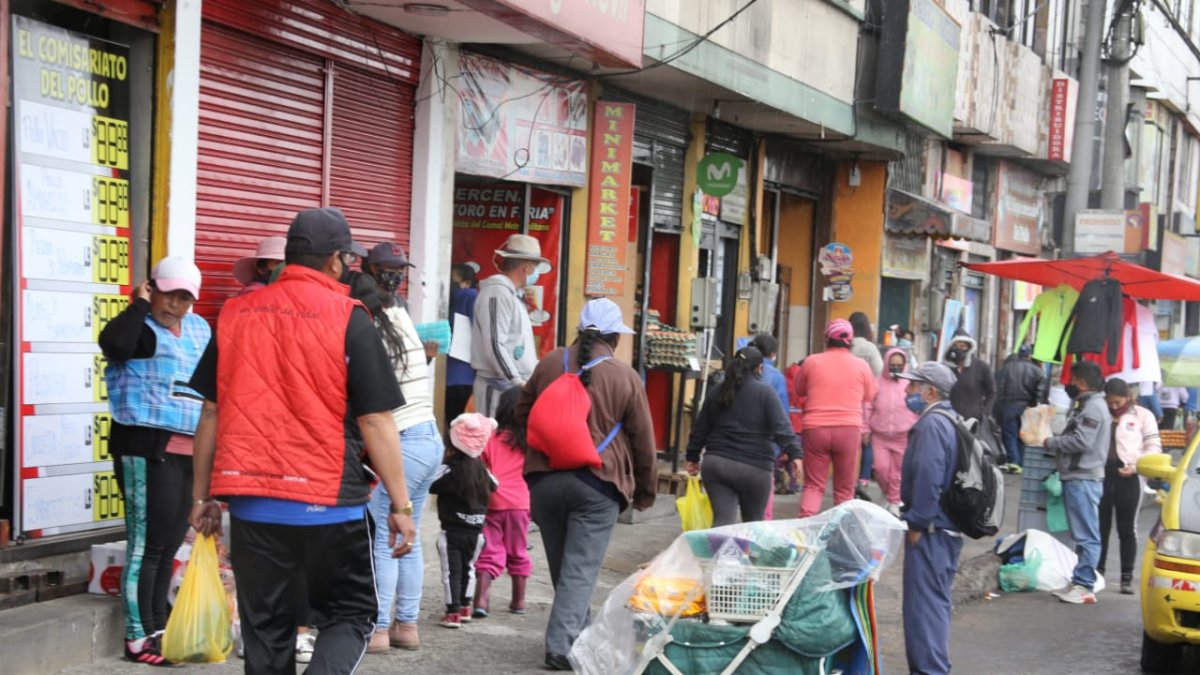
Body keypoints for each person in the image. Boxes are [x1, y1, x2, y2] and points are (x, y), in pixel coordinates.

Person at [188, 207, 417, 674]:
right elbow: (375, 421)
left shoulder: (234, 313)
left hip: (253, 508)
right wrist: (402, 506)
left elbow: (210, 411)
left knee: (267, 629)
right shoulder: (350, 317)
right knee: (351, 615)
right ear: (336, 260)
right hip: (330, 504)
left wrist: (202, 495)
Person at [516, 298, 657, 670]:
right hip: (596, 484)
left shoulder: (549, 363)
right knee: (579, 570)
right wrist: (645, 491)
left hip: (544, 482)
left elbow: (521, 411)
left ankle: (582, 636)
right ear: (614, 336)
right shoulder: (624, 376)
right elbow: (643, 440)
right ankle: (561, 647)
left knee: (566, 569)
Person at [100, 257, 211, 666]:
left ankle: (158, 628)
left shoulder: (199, 330)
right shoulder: (138, 328)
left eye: (185, 298)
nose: (175, 305)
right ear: (152, 288)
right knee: (145, 546)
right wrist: (139, 306)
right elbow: (114, 345)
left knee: (166, 548)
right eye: (168, 294)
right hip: (146, 446)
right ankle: (137, 637)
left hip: (190, 449)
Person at [347, 273, 444, 653]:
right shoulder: (401, 319)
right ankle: (407, 626)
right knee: (408, 537)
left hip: (401, 442)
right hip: (429, 437)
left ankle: (379, 629)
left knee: (386, 541)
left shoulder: (368, 334)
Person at [895, 362, 963, 675]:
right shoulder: (947, 419)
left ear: (930, 391)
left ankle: (930, 670)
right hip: (943, 529)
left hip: (932, 530)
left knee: (923, 609)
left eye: (913, 386)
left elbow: (928, 475)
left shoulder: (932, 424)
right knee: (933, 605)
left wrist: (917, 523)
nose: (907, 391)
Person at [686, 346, 802, 526]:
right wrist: (795, 454)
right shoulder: (765, 392)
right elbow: (782, 427)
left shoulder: (717, 391)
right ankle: (746, 554)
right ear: (759, 369)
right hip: (754, 468)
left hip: (717, 465)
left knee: (722, 520)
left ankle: (723, 554)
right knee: (753, 525)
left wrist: (692, 456)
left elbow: (700, 428)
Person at [1042, 361, 1110, 605]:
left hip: (1084, 478)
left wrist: (1052, 443)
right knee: (1082, 534)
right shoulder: (1087, 405)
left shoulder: (1093, 408)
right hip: (1078, 476)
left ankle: (1084, 586)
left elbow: (1081, 442)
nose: (1069, 384)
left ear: (1081, 382)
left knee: (1086, 535)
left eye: (1072, 380)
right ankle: (1079, 580)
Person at [793, 319, 877, 516]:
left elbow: (799, 390)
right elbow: (869, 395)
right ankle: (841, 534)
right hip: (848, 429)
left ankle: (806, 531)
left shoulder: (812, 361)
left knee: (813, 486)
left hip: (815, 429)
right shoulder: (861, 365)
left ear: (826, 339)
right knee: (844, 490)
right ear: (850, 342)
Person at [431, 413, 499, 629]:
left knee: (451, 572)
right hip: (477, 533)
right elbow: (495, 485)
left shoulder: (450, 470)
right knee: (469, 568)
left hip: (452, 531)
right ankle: (465, 608)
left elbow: (430, 483)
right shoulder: (482, 471)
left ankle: (452, 613)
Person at [472, 234, 550, 416]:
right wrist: (517, 381)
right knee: (494, 440)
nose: (536, 272)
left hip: (511, 388)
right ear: (527, 267)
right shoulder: (497, 293)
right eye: (536, 267)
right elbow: (494, 344)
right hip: (498, 388)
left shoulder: (512, 295)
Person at [1099, 378, 1162, 595]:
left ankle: (1126, 577)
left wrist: (1136, 466)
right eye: (1111, 403)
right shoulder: (1100, 413)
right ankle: (1097, 573)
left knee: (1127, 529)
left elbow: (1154, 446)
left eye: (1118, 403)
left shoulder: (1143, 416)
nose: (1115, 407)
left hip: (1130, 476)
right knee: (1100, 526)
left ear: (1128, 398)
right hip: (1101, 474)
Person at [474, 386, 533, 618]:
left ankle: (481, 600)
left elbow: (480, 470)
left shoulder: (490, 439)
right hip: (521, 504)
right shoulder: (530, 442)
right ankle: (518, 602)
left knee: (490, 550)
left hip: (493, 501)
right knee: (518, 551)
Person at [865, 348, 919, 517]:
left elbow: (917, 407)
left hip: (903, 436)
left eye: (899, 365)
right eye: (892, 365)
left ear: (904, 366)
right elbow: (867, 406)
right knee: (881, 470)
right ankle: (890, 494)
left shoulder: (909, 384)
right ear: (886, 364)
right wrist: (865, 429)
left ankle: (894, 501)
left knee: (898, 472)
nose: (896, 368)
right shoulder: (877, 382)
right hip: (880, 436)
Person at [751, 333, 792, 514]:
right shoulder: (776, 377)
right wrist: (785, 447)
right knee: (763, 499)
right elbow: (782, 415)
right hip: (765, 446)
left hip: (732, 447)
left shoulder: (737, 369)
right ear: (772, 354)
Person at [993, 344, 1045, 474]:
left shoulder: (1005, 368)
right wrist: (1034, 403)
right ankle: (1021, 461)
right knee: (1023, 434)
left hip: (1008, 405)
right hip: (1026, 405)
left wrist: (998, 405)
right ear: (1029, 355)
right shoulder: (1036, 370)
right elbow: (1041, 389)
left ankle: (1014, 462)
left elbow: (998, 387)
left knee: (1010, 433)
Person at [849, 312, 882, 501]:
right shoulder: (869, 348)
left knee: (852, 442)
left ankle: (849, 480)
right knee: (868, 442)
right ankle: (863, 480)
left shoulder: (846, 346)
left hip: (848, 399)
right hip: (867, 399)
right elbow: (879, 370)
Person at [446, 263, 480, 422]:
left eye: (453, 281)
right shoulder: (470, 295)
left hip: (447, 375)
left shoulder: (448, 298)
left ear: (466, 282)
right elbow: (480, 330)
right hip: (465, 376)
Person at [363, 241, 416, 310]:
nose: (398, 273)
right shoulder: (361, 298)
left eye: (402, 268)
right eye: (393, 267)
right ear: (373, 268)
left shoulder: (401, 302)